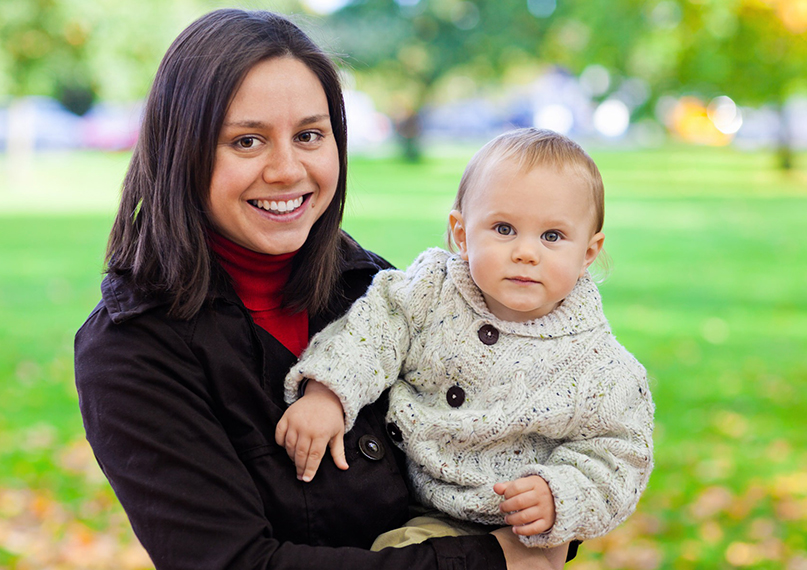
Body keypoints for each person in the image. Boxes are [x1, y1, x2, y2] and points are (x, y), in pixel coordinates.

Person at [74, 9, 567, 570]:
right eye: (247, 141)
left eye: (310, 135)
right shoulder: (131, 349)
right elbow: (235, 563)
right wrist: (489, 560)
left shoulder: (379, 290)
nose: (287, 169)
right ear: (180, 150)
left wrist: (558, 501)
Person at [277, 128, 656, 554]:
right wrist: (329, 392)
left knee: (399, 555)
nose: (526, 253)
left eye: (552, 236)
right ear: (461, 232)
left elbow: (619, 455)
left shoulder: (600, 367)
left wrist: (560, 495)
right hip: (406, 490)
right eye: (504, 228)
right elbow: (371, 332)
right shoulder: (430, 292)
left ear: (588, 252)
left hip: (511, 527)